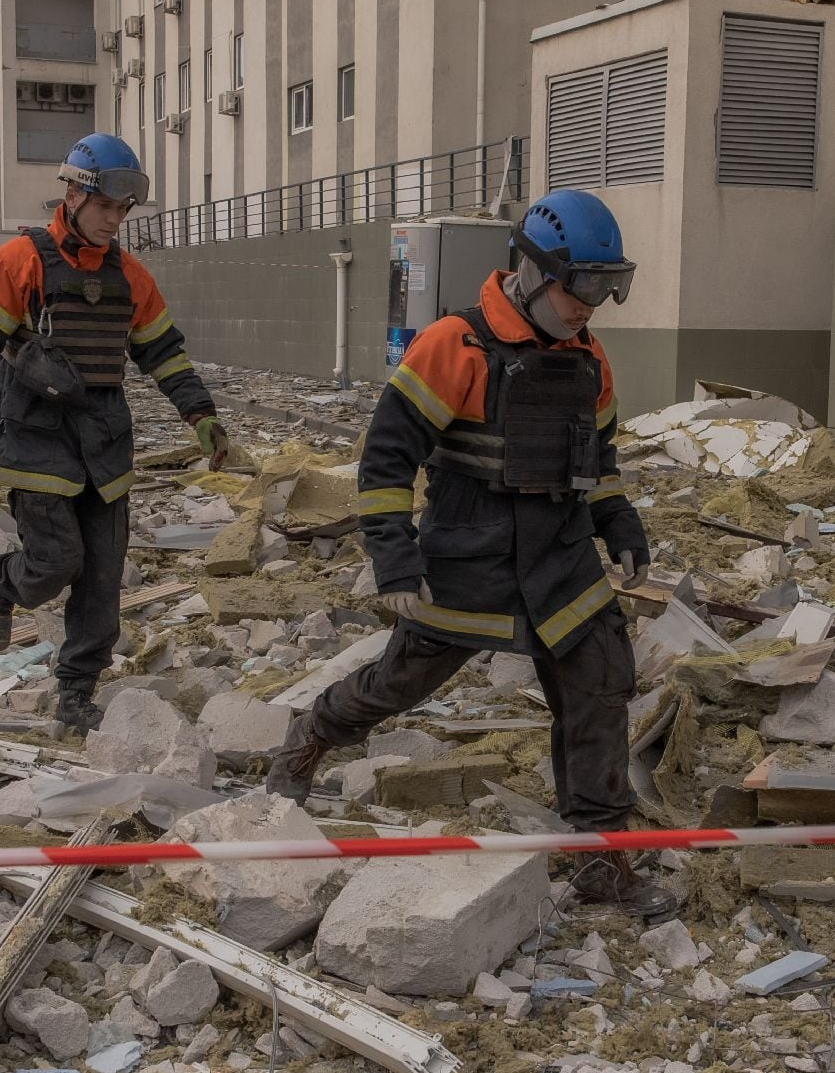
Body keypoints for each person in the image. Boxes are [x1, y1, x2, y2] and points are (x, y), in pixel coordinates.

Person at [266, 189, 675, 918]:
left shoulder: (589, 360)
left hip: (561, 562)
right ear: (533, 269)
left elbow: (600, 460)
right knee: (401, 681)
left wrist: (620, 525)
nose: (593, 305)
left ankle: (600, 859)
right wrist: (394, 560)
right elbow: (386, 461)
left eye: (608, 288)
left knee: (601, 683)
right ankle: (312, 734)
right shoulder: (453, 346)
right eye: (583, 286)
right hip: (468, 558)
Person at [0, 133, 230, 731]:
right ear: (73, 193)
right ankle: (3, 582)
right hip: (36, 440)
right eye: (107, 208)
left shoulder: (131, 277)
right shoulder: (21, 262)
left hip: (105, 445)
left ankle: (75, 692)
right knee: (55, 562)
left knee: (102, 577)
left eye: (124, 211)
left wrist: (201, 415)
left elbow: (164, 354)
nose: (115, 221)